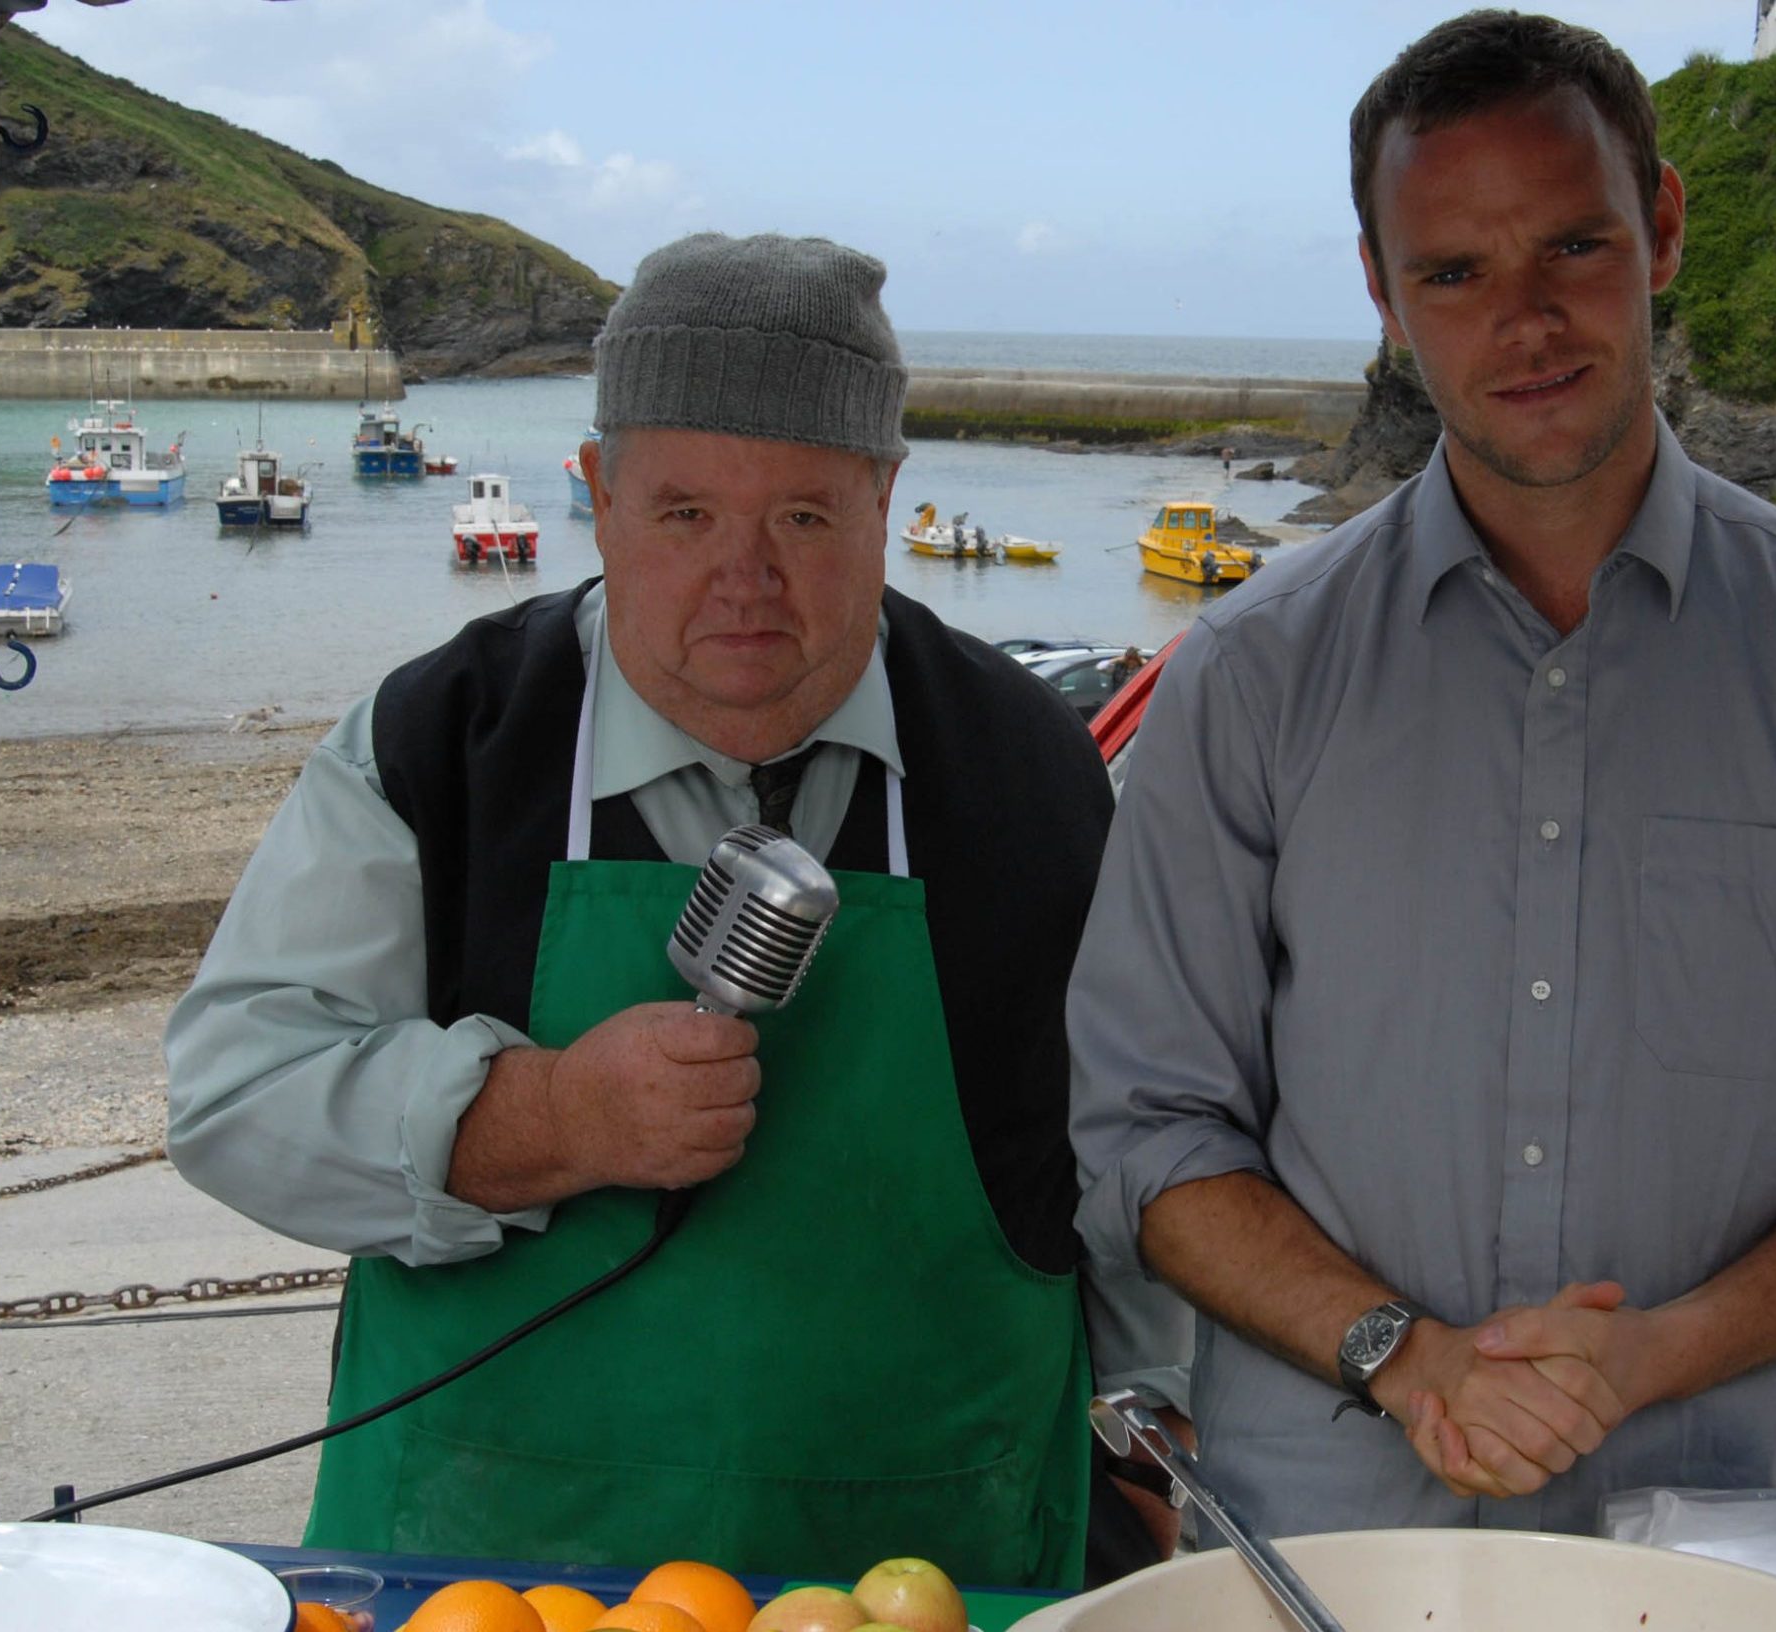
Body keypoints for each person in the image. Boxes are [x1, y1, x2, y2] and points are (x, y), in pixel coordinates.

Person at [1067, 10, 1776, 1543]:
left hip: (1715, 1536)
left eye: (1573, 248)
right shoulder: (1253, 675)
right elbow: (1148, 1134)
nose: (1522, 321)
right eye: (1453, 272)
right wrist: (1400, 1358)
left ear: (1661, 227)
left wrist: (1668, 1351)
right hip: (1329, 1557)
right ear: (1383, 296)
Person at [168, 232, 1185, 1587]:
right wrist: (540, 1120)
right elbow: (235, 1095)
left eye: (805, 518)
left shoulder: (1030, 769)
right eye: (687, 513)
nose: (745, 578)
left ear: (888, 499)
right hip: (482, 1571)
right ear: (597, 494)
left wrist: (1145, 1449)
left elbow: (1133, 1144)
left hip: (935, 1561)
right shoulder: (442, 742)